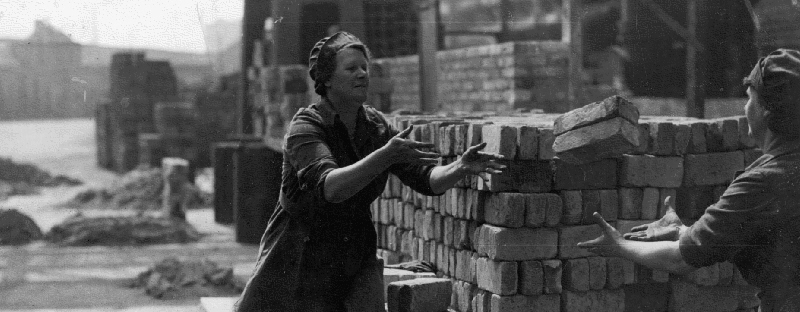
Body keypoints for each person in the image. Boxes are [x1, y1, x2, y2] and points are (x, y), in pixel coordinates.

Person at [234, 31, 506, 312]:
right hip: (300, 256)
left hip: (353, 252)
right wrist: (385, 155)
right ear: (326, 79)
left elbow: (427, 181)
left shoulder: (375, 126)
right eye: (351, 68)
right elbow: (331, 188)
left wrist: (460, 167)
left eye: (365, 67)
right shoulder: (306, 127)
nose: (362, 74)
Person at [578, 48, 800, 312]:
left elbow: (679, 260)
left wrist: (620, 245)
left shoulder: (763, 181)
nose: (745, 106)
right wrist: (683, 231)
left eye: (749, 98)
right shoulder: (778, 166)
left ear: (766, 109)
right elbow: (729, 235)